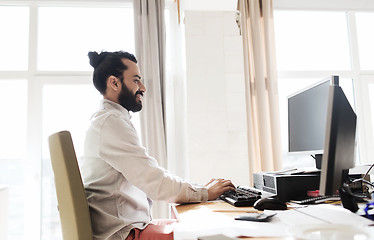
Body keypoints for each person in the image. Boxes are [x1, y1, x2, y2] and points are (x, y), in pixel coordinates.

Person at [81, 51, 235, 240]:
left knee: (202, 225)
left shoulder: (109, 120)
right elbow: (154, 182)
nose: (143, 88)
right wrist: (205, 193)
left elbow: (153, 174)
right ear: (114, 83)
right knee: (213, 234)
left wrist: (201, 189)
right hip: (124, 234)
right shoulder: (111, 123)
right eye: (136, 80)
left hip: (130, 228)